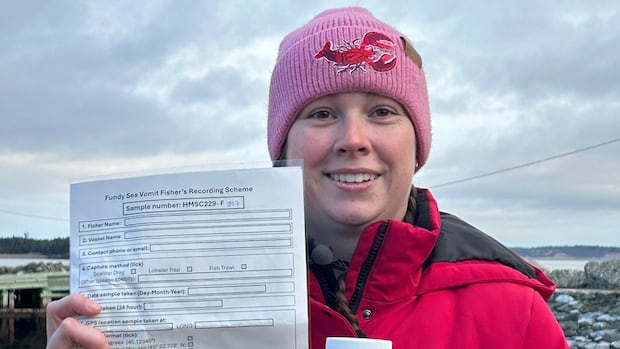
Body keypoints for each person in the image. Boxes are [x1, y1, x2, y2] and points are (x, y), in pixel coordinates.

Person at [46, 7, 569, 349]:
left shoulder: (513, 312)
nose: (353, 138)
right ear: (283, 146)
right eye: (320, 114)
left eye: (383, 111)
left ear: (418, 144)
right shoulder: (171, 302)